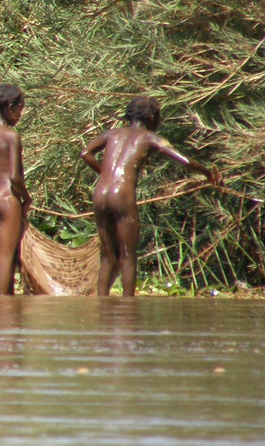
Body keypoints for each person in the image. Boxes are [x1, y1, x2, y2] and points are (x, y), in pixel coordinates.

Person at [81, 95, 220, 297]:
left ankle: (101, 304)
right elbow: (186, 161)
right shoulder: (151, 138)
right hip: (122, 194)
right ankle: (128, 308)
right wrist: (208, 173)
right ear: (153, 117)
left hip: (100, 193)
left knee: (108, 257)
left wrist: (105, 173)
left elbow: (85, 153)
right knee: (128, 257)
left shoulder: (113, 133)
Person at [0, 84, 31, 296]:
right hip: (7, 199)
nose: (20, 114)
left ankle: (5, 308)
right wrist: (27, 198)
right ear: (10, 106)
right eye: (20, 108)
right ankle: (4, 309)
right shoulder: (11, 136)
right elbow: (14, 177)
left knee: (4, 253)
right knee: (7, 259)